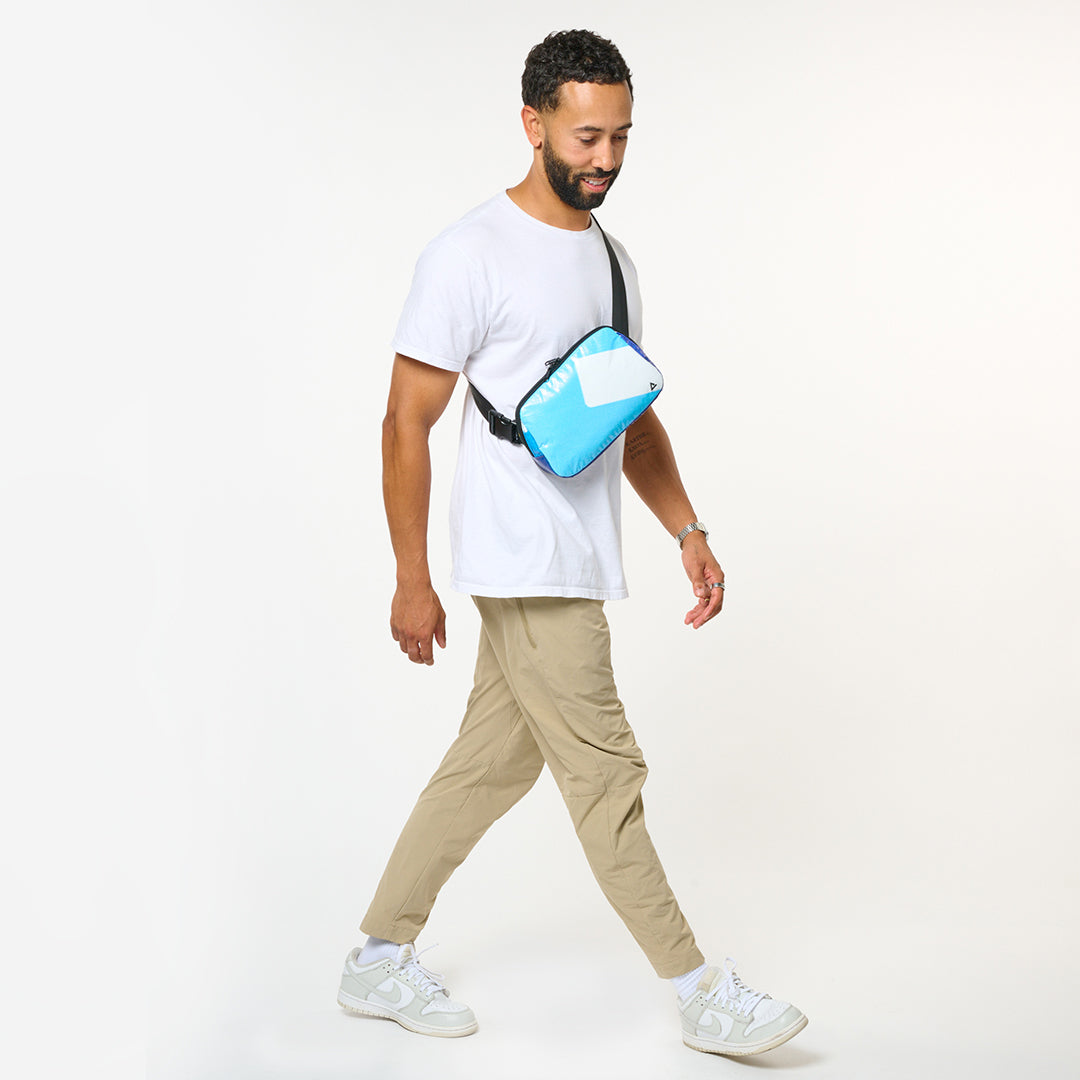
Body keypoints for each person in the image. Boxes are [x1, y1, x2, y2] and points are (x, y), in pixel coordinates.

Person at [336, 29, 808, 1057]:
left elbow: (628, 417)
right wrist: (411, 578)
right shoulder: (469, 254)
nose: (605, 157)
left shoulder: (612, 262)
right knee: (606, 773)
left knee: (490, 766)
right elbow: (405, 422)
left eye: (621, 136)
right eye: (587, 136)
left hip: (581, 557)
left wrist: (687, 528)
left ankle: (377, 955)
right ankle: (700, 991)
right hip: (522, 558)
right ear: (534, 123)